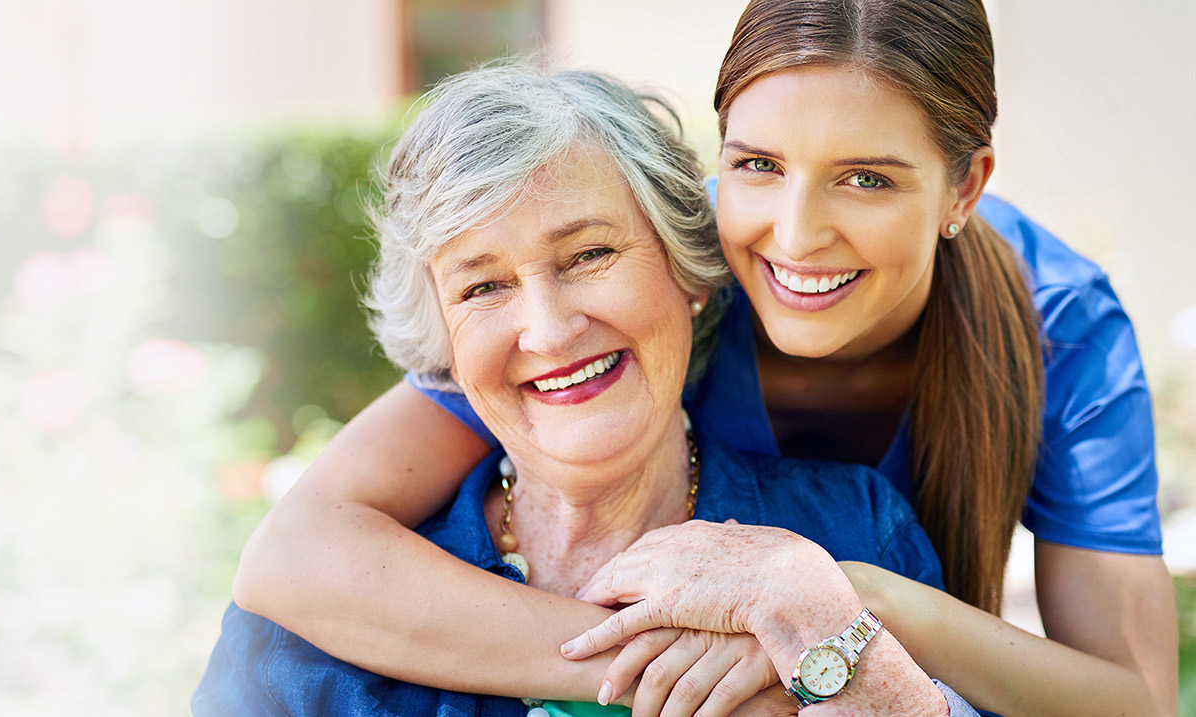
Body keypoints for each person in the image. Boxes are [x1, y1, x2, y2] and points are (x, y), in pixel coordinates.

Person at [233, 1, 1177, 715]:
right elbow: (301, 554)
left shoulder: (1059, 324)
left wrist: (847, 604)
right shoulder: (673, 257)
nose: (796, 235)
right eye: (757, 163)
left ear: (963, 186)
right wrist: (681, 664)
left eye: (867, 178)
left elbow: (1128, 700)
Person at [196, 64, 979, 717]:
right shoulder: (305, 631)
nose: (548, 329)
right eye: (483, 288)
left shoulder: (852, 532)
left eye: (589, 255)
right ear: (445, 346)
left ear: (687, 273)